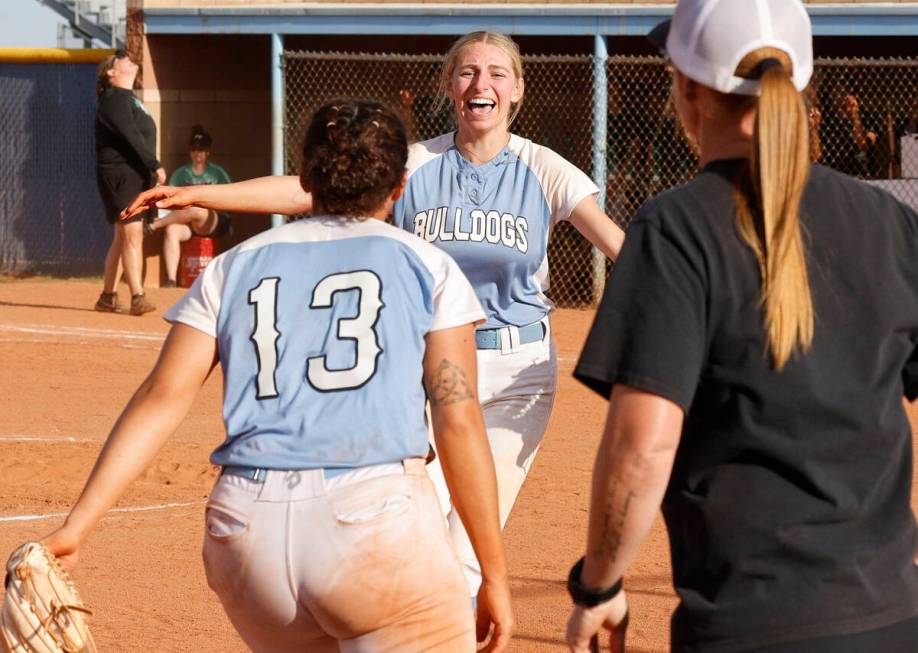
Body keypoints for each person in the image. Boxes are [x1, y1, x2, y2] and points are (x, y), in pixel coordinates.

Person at [122, 31, 626, 599]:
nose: (481, 83)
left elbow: (618, 248)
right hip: (426, 371)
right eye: (467, 72)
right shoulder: (417, 163)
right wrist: (198, 197)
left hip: (518, 375)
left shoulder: (544, 170)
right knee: (411, 521)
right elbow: (304, 192)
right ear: (448, 86)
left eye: (496, 74)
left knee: (465, 548)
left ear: (517, 92)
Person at [41, 99, 513, 652]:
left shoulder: (233, 265)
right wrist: (494, 576)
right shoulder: (427, 264)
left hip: (246, 534)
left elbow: (160, 399)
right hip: (374, 523)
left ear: (307, 177)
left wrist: (77, 527)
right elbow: (457, 424)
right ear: (401, 185)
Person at [565, 1, 918, 652]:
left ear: (689, 90)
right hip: (894, 615)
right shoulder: (890, 223)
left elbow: (641, 445)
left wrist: (599, 585)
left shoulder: (676, 228)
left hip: (752, 625)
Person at [94, 49, 162, 315]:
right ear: (111, 73)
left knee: (123, 237)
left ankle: (108, 297)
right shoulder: (113, 99)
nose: (127, 59)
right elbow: (131, 135)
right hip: (120, 173)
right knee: (132, 233)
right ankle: (137, 296)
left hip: (133, 173)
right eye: (119, 59)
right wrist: (154, 165)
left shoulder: (129, 99)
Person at [147, 125, 233, 287]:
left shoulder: (218, 173)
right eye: (194, 149)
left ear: (208, 152)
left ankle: (154, 225)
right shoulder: (181, 174)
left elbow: (231, 199)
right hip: (188, 222)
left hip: (214, 220)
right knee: (172, 230)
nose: (197, 153)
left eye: (201, 150)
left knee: (197, 208)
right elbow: (170, 202)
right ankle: (172, 280)